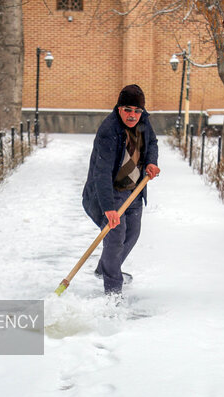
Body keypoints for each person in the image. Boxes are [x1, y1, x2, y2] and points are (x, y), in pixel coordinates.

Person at [82, 84, 160, 295]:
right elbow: (102, 173)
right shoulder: (109, 131)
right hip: (111, 192)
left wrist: (151, 162)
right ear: (119, 108)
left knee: (132, 234)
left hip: (134, 189)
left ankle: (105, 268)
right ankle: (113, 291)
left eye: (137, 110)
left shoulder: (144, 122)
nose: (133, 115)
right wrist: (108, 208)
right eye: (128, 110)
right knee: (115, 239)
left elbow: (152, 142)